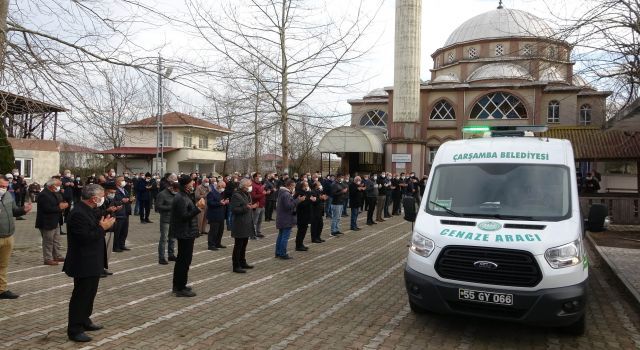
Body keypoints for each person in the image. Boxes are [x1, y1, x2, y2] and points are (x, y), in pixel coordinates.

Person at [64, 184, 115, 342]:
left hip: (93, 260)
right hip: (83, 261)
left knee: (90, 294)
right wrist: (103, 228)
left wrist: (106, 216)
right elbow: (85, 237)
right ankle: (74, 329)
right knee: (81, 296)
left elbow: (96, 220)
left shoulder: (89, 210)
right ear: (94, 198)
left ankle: (85, 320)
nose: (103, 199)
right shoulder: (78, 213)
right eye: (102, 196)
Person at [170, 175, 205, 297]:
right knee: (183, 261)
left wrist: (195, 206)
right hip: (184, 233)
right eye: (191, 182)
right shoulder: (180, 197)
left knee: (185, 260)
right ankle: (179, 288)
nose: (193, 184)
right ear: (186, 184)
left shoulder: (185, 195)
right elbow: (184, 216)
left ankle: (181, 285)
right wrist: (198, 208)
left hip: (188, 232)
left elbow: (187, 210)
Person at [0, 175, 31, 299]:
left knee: (3, 265)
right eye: (1, 186)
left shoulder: (8, 195)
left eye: (6, 187)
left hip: (8, 236)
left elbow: (14, 211)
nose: (3, 189)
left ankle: (1, 290)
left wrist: (23, 210)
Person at [36, 178, 67, 266]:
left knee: (56, 240)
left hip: (55, 220)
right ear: (52, 186)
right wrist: (60, 207)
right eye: (57, 185)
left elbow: (58, 203)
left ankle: (57, 255)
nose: (59, 187)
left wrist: (63, 205)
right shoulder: (44, 195)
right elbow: (47, 209)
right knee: (48, 241)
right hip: (46, 222)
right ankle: (48, 258)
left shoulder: (54, 193)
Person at [229, 178, 257, 273]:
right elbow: (234, 209)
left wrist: (251, 207)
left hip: (246, 223)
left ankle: (242, 262)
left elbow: (247, 205)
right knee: (238, 245)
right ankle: (236, 266)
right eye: (249, 185)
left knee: (244, 245)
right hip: (240, 224)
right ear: (243, 186)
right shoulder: (236, 195)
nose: (250, 187)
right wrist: (246, 207)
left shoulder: (247, 194)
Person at [97, 183, 121, 277]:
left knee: (107, 250)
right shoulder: (100, 200)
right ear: (105, 190)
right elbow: (97, 214)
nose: (113, 194)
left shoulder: (109, 199)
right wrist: (108, 210)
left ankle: (103, 268)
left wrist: (115, 209)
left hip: (111, 227)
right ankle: (98, 269)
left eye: (114, 192)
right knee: (101, 251)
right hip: (103, 228)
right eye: (111, 192)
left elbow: (112, 208)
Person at [276, 179, 303, 259]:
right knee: (284, 237)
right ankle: (282, 253)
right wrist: (298, 200)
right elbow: (289, 206)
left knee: (280, 236)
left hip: (282, 218)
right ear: (290, 185)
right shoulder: (286, 194)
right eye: (293, 186)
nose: (294, 188)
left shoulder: (282, 192)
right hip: (286, 218)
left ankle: (278, 252)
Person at [155, 174, 177, 264]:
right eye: (173, 188)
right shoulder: (162, 194)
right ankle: (161, 257)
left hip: (174, 219)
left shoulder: (176, 193)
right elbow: (158, 206)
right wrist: (170, 207)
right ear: (169, 187)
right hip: (165, 220)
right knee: (164, 239)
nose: (175, 190)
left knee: (172, 238)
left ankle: (171, 255)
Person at [206, 180, 229, 250]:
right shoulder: (211, 193)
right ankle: (211, 245)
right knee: (213, 231)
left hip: (221, 215)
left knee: (220, 231)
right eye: (223, 187)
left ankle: (218, 243)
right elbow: (210, 203)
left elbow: (221, 201)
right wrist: (220, 203)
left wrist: (225, 202)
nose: (224, 189)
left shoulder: (221, 193)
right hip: (214, 215)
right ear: (219, 186)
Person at [113, 176, 132, 252]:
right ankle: (116, 246)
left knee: (124, 230)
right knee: (118, 231)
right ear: (117, 182)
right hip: (119, 213)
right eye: (122, 180)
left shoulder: (125, 190)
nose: (124, 182)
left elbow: (127, 200)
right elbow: (114, 201)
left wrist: (130, 200)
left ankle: (122, 244)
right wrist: (122, 201)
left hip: (126, 212)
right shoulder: (115, 190)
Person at [295, 181, 314, 251]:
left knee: (304, 230)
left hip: (306, 214)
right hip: (302, 214)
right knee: (301, 230)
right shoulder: (300, 193)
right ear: (303, 186)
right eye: (306, 185)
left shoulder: (306, 192)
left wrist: (311, 199)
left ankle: (301, 243)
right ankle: (298, 245)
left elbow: (308, 199)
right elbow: (301, 204)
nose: (307, 186)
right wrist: (310, 200)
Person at [250, 172, 266, 240]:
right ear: (254, 178)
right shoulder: (253, 185)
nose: (259, 178)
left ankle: (258, 232)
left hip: (262, 205)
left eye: (260, 176)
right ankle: (252, 234)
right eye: (258, 177)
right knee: (254, 221)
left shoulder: (260, 184)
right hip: (256, 206)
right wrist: (263, 194)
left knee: (260, 220)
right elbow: (253, 196)